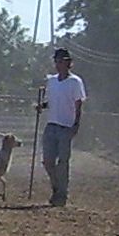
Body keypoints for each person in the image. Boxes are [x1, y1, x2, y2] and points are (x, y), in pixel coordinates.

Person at [36, 48, 87, 207]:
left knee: (63, 162)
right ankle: (57, 187)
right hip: (51, 124)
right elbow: (51, 101)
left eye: (61, 61)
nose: (58, 64)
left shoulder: (75, 82)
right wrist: (42, 106)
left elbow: (78, 104)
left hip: (66, 126)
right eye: (56, 61)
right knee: (47, 161)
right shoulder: (51, 81)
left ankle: (61, 194)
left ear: (68, 63)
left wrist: (76, 124)